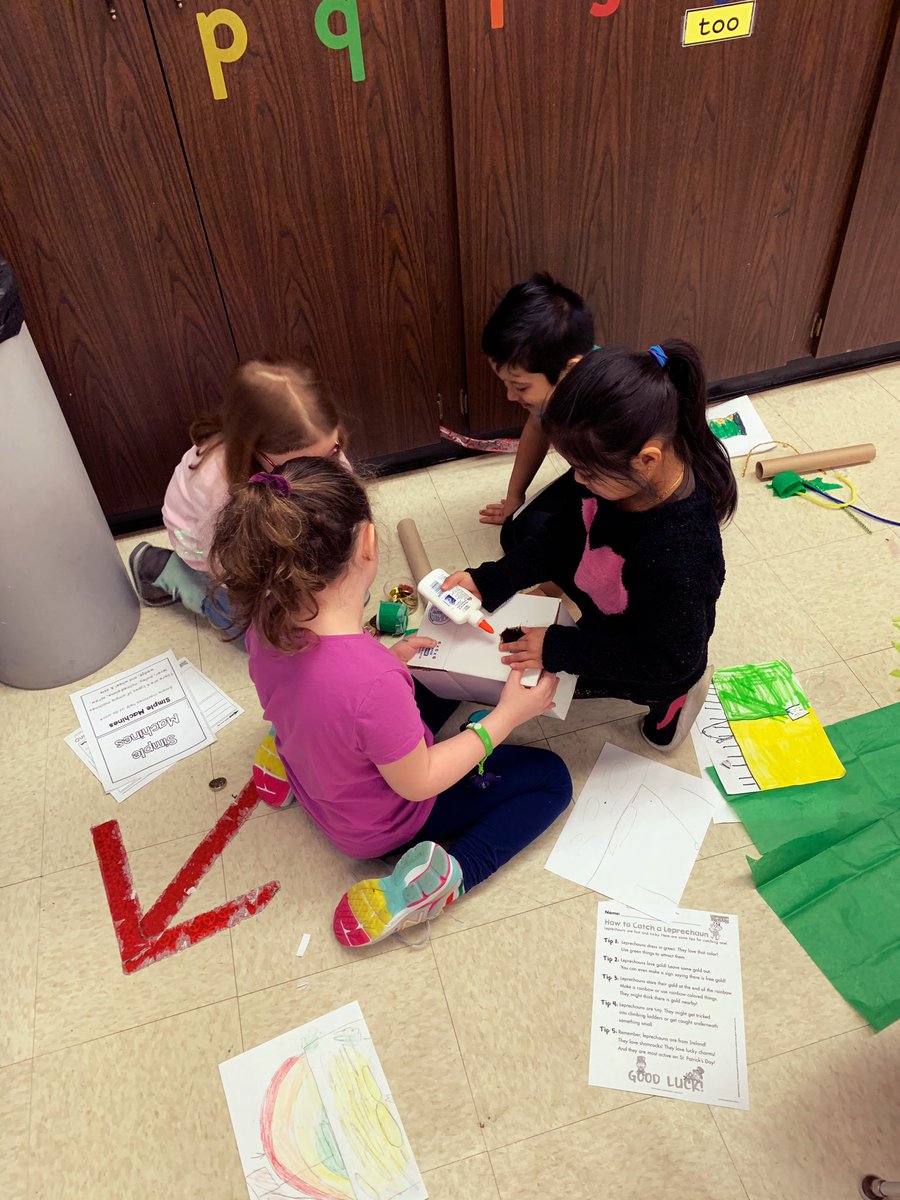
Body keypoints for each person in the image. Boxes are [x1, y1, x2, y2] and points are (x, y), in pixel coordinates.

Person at [209, 456, 573, 947]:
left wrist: (388, 662)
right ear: (368, 543)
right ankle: (440, 881)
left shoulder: (266, 618)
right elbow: (420, 782)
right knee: (552, 781)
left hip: (317, 776)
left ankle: (283, 762)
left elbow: (318, 686)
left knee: (417, 685)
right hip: (382, 828)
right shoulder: (373, 680)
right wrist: (506, 718)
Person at [445, 340, 737, 753]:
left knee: (544, 683)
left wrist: (557, 649)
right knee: (529, 546)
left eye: (585, 471)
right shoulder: (616, 473)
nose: (578, 482)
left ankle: (669, 702)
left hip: (658, 658)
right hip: (611, 605)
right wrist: (489, 581)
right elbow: (563, 534)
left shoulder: (680, 552)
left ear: (647, 459)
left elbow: (670, 658)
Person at [127, 357, 345, 629]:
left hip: (270, 530)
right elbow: (235, 566)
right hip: (215, 549)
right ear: (253, 448)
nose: (324, 469)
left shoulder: (312, 444)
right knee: (264, 632)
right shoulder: (216, 487)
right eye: (305, 464)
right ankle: (170, 573)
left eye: (332, 451)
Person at [479, 272, 596, 552]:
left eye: (519, 386)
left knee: (542, 543)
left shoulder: (603, 411)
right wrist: (514, 497)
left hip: (631, 491)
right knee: (516, 533)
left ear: (569, 369)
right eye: (505, 383)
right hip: (593, 474)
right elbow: (536, 428)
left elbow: (630, 486)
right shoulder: (557, 389)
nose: (509, 396)